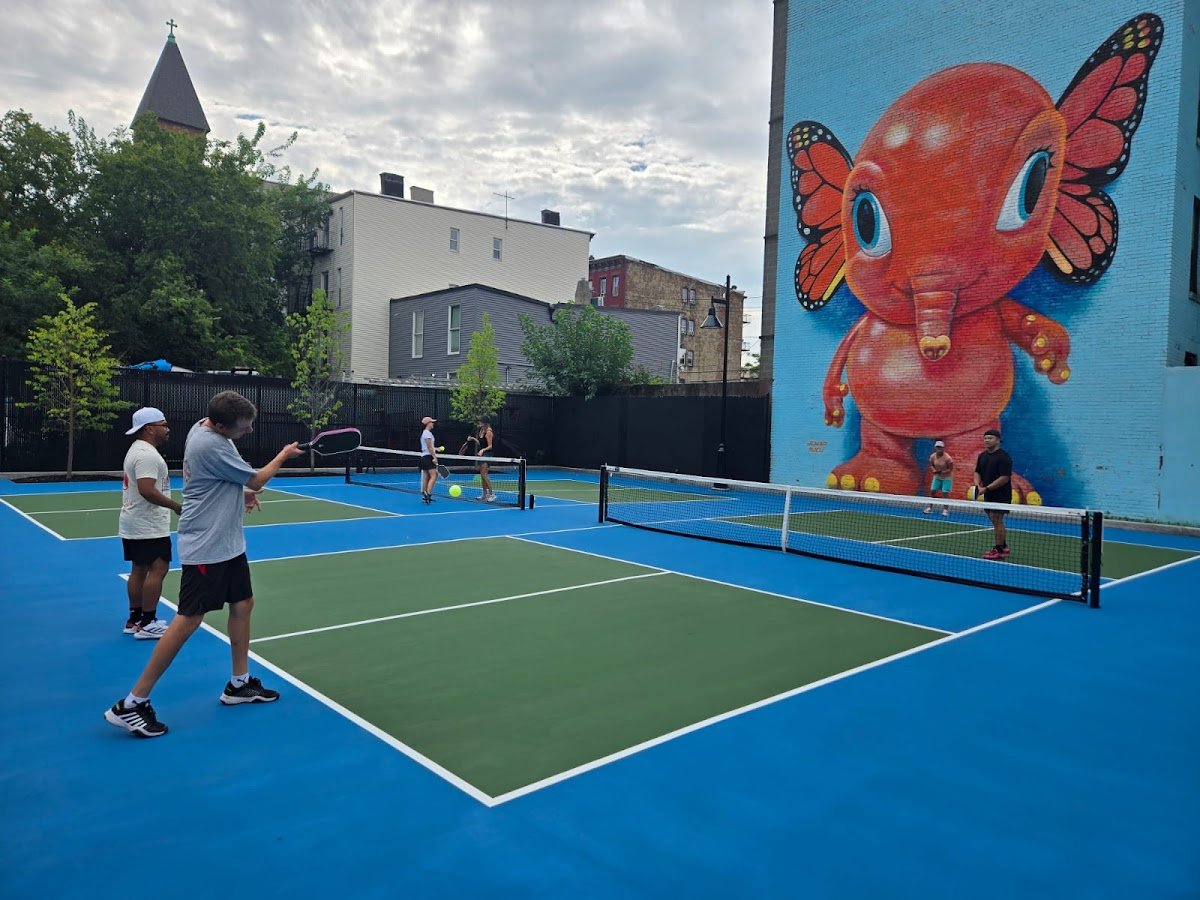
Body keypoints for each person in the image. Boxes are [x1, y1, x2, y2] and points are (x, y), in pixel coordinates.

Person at [104, 391, 303, 738]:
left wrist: (240, 494)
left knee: (243, 603)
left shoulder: (205, 426)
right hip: (208, 545)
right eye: (244, 427)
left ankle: (239, 683)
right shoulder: (209, 444)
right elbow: (255, 478)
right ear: (222, 425)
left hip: (228, 543)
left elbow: (220, 483)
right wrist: (283, 455)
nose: (249, 431)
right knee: (187, 620)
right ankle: (133, 702)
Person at [119, 407, 183, 640]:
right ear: (149, 428)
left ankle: (135, 618)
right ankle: (147, 622)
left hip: (135, 523)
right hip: (148, 524)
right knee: (158, 569)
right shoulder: (147, 455)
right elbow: (147, 490)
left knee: (139, 569)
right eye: (163, 425)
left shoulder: (138, 450)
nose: (167, 429)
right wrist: (175, 506)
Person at [974, 428, 1013, 560]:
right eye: (985, 438)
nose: (987, 440)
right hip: (988, 494)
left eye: (990, 438)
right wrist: (978, 484)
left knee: (997, 519)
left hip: (1001, 494)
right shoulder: (982, 456)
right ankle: (1004, 545)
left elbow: (1004, 478)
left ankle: (999, 550)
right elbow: (977, 472)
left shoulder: (1003, 457)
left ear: (997, 440)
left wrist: (987, 488)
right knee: (994, 519)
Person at [924, 440, 953, 516]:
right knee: (933, 491)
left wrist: (942, 472)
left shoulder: (948, 458)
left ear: (943, 448)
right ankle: (929, 508)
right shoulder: (932, 456)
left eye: (940, 447)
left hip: (947, 478)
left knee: (945, 493)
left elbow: (950, 469)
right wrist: (934, 470)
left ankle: (945, 510)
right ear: (935, 448)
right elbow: (931, 465)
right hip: (937, 477)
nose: (938, 449)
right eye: (937, 447)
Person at [474, 415, 495, 502]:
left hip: (487, 455)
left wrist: (483, 450)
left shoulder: (488, 432)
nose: (479, 422)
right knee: (482, 476)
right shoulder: (481, 430)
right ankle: (484, 494)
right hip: (481, 455)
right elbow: (481, 443)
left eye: (480, 421)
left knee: (484, 475)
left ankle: (491, 494)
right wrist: (472, 439)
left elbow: (490, 446)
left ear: (484, 422)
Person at [419, 415, 439, 503]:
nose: (433, 423)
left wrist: (436, 449)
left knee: (427, 476)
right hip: (427, 457)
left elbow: (430, 446)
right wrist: (434, 457)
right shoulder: (427, 433)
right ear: (428, 424)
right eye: (432, 422)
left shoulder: (426, 433)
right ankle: (428, 493)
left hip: (424, 456)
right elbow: (429, 447)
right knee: (434, 475)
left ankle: (425, 494)